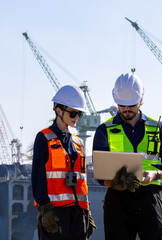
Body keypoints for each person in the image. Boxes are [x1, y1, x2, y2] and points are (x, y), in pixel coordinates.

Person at [93, 72, 162, 240]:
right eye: (121, 104)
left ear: (141, 100)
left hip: (150, 196)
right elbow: (99, 175)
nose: (126, 109)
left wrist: (154, 174)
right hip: (118, 199)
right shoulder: (104, 130)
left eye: (131, 104)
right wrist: (117, 183)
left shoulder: (158, 128)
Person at [32, 85, 96, 240]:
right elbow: (38, 176)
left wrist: (87, 212)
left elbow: (82, 181)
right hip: (55, 213)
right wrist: (45, 208)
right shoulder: (44, 138)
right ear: (58, 110)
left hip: (79, 214)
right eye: (73, 113)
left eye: (79, 113)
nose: (77, 118)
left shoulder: (78, 143)